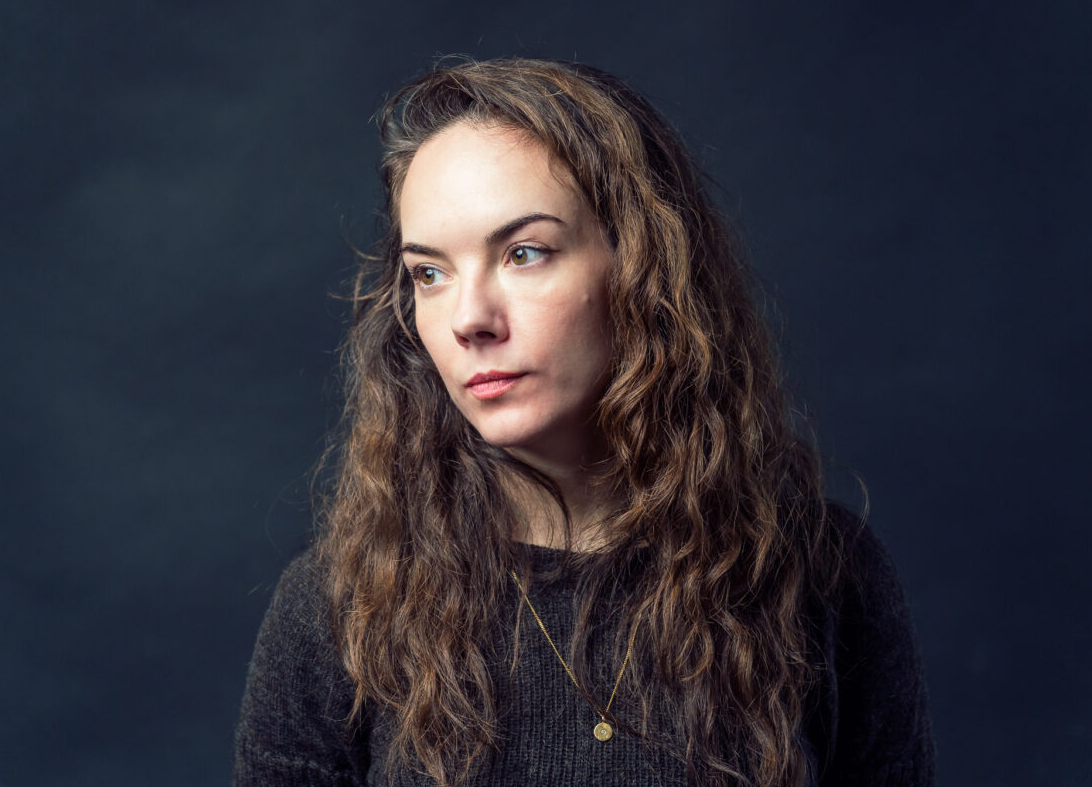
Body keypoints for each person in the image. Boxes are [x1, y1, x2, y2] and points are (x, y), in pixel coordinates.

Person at [232, 58, 934, 787]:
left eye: (523, 253)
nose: (469, 318)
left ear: (639, 267)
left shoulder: (822, 575)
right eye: (429, 273)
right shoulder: (337, 607)